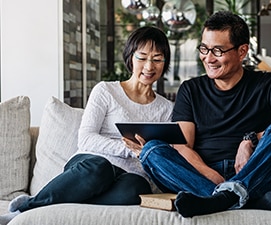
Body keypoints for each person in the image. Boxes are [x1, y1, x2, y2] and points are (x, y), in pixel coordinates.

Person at [131, 11, 271, 218]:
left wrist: (250, 140)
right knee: (151, 150)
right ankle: (239, 198)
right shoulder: (191, 89)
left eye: (217, 51)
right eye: (204, 48)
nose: (208, 58)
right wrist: (211, 176)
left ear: (242, 51)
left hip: (253, 170)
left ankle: (221, 199)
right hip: (203, 174)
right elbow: (183, 145)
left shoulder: (266, 83)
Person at [0, 26, 173, 225]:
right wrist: (129, 150)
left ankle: (68, 197)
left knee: (136, 188)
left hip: (127, 177)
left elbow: (162, 151)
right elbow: (86, 137)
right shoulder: (106, 91)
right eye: (142, 57)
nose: (149, 66)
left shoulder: (166, 109)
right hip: (90, 166)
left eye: (157, 59)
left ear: (165, 63)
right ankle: (25, 209)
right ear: (130, 57)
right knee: (101, 168)